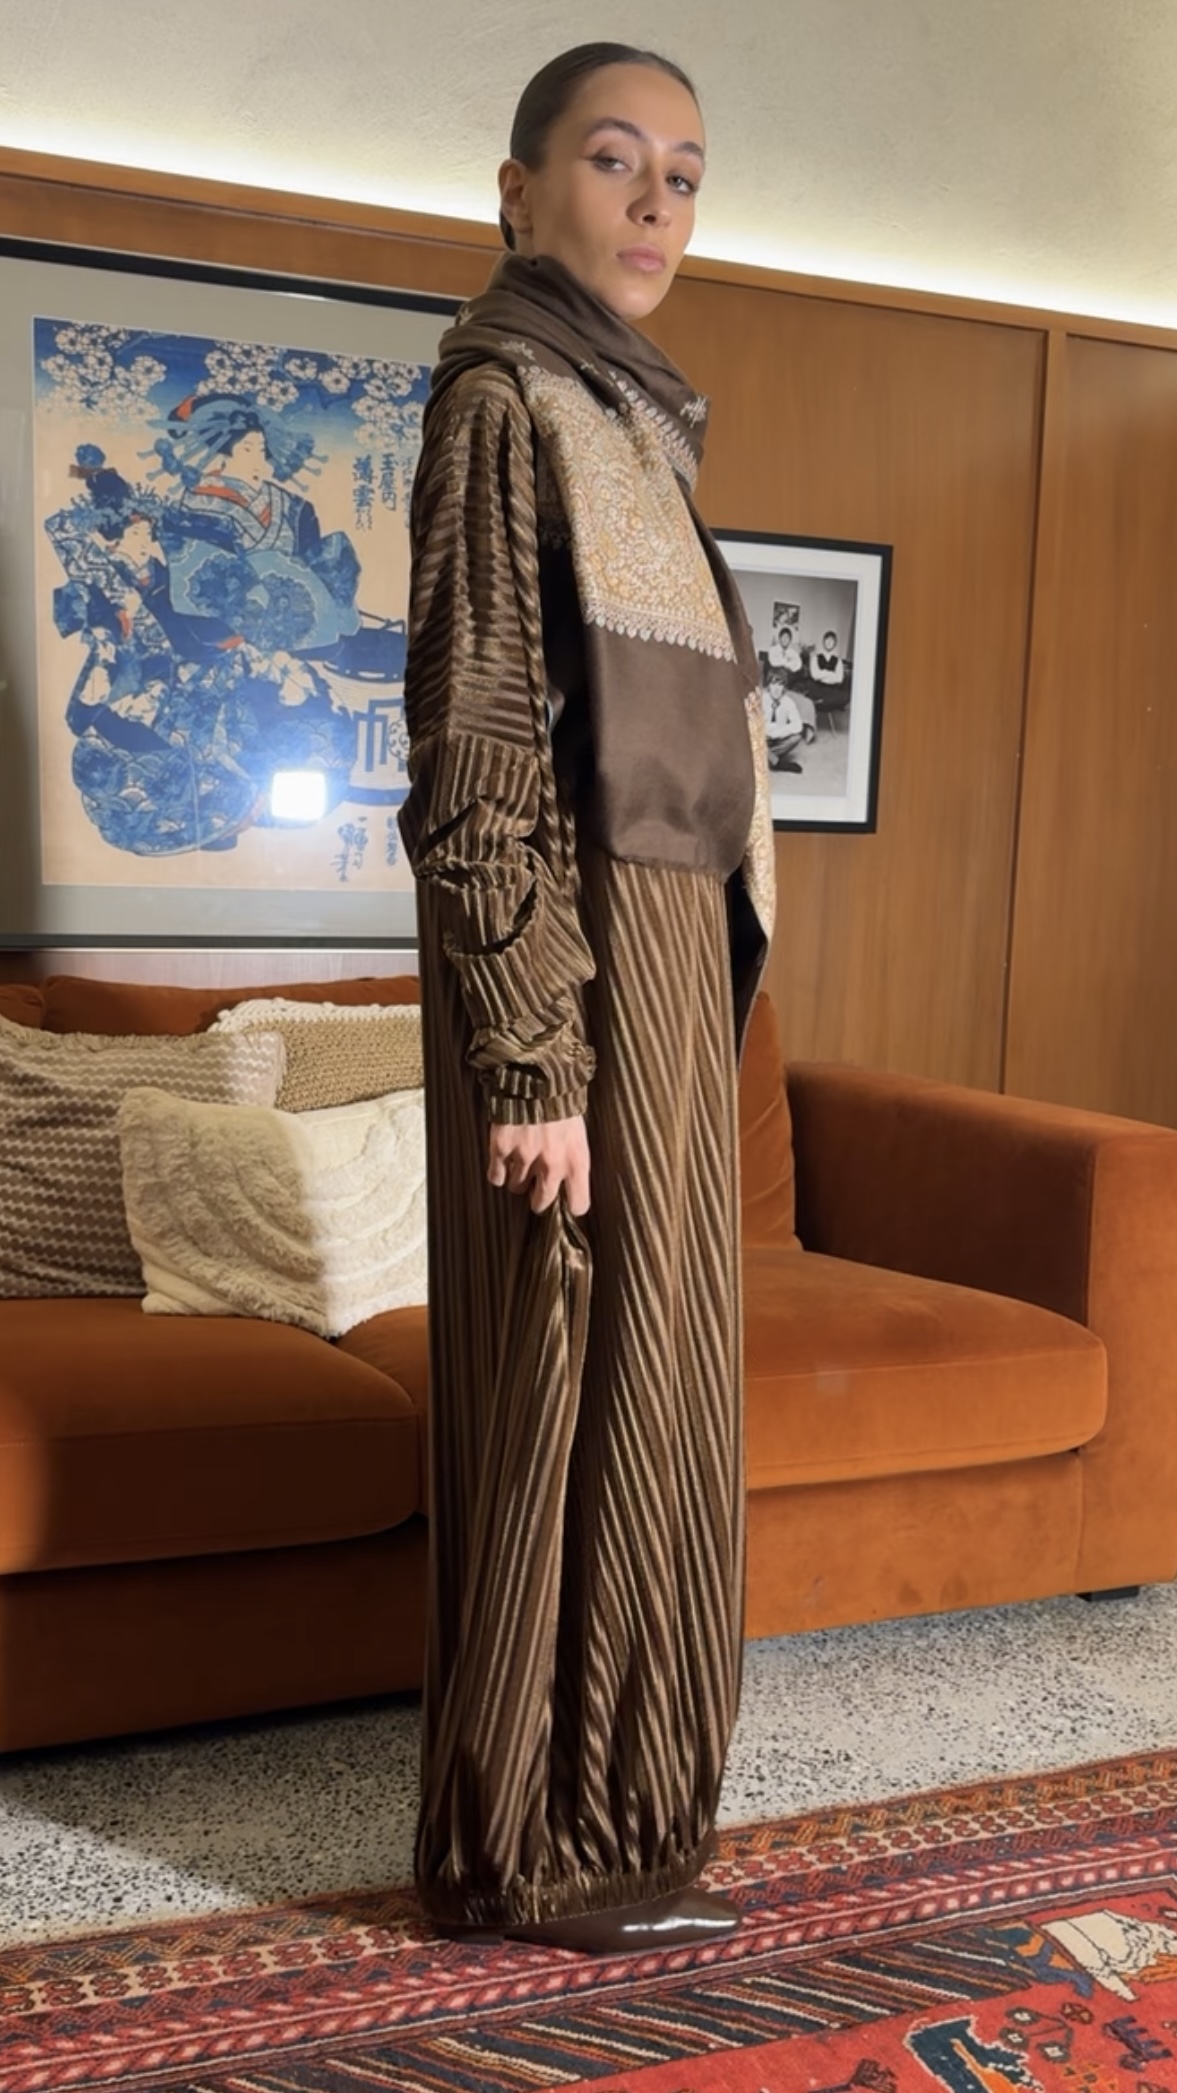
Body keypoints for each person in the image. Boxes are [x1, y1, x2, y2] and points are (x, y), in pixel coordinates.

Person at [399, 41, 775, 1956]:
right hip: (579, 983)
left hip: (668, 971)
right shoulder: (505, 403)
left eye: (682, 174)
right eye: (613, 159)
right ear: (517, 190)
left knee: (664, 1392)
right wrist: (532, 1049)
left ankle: (621, 1830)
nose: (652, 202)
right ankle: (537, 1853)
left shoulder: (635, 421)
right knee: (575, 1377)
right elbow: (476, 744)